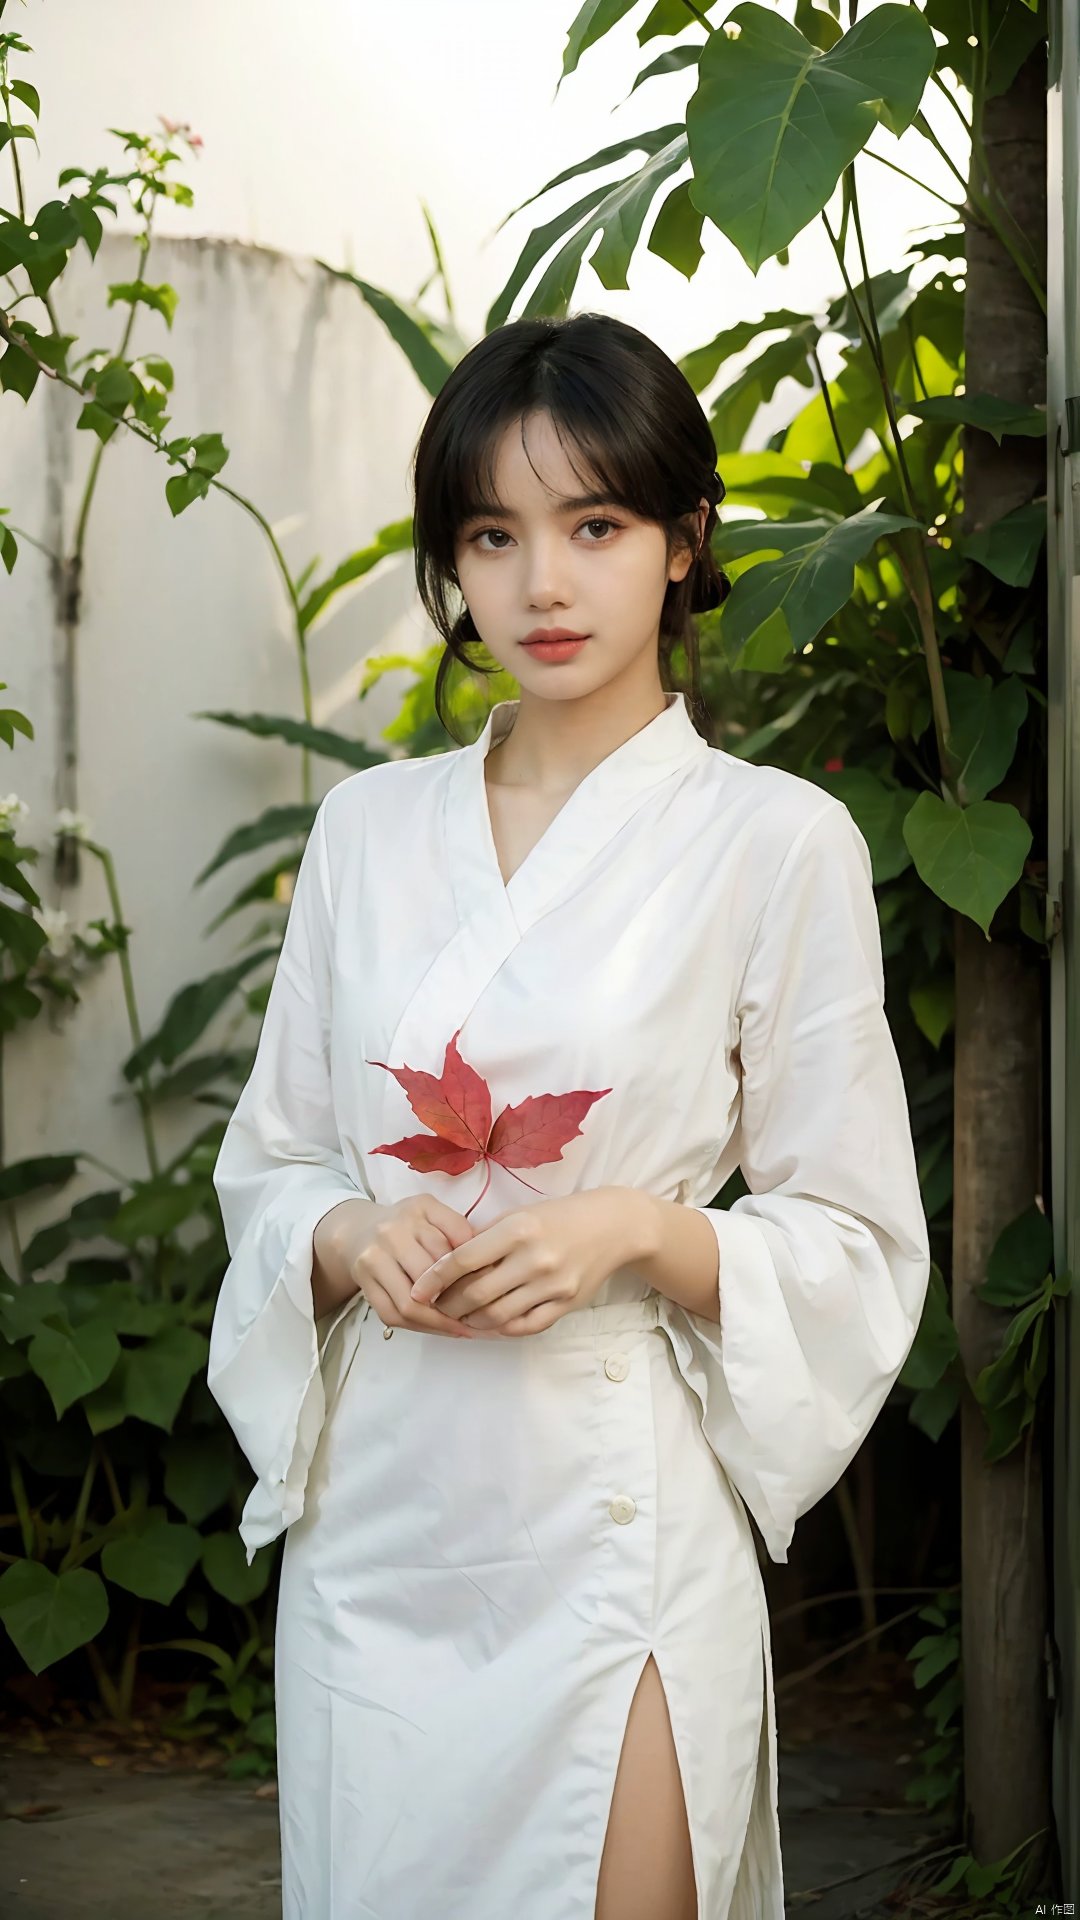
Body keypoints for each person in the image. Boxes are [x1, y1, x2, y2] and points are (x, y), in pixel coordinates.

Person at [206, 310, 931, 1920]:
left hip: (614, 1520)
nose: (542, 582)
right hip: (383, 1524)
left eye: (594, 525)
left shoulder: (778, 843)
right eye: (494, 532)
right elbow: (276, 1160)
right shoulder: (366, 833)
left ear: (683, 542)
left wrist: (642, 1230)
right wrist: (341, 1234)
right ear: (451, 562)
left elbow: (858, 1232)